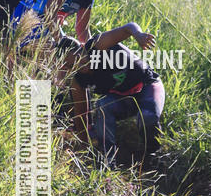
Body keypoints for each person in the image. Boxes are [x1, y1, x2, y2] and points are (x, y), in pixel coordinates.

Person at [67, 26, 162, 167]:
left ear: (82, 48)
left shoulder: (97, 45)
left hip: (147, 86)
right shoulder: (78, 80)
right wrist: (84, 149)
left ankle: (153, 157)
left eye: (79, 57)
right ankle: (108, 163)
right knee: (102, 107)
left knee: (147, 117)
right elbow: (81, 116)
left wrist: (139, 35)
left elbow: (128, 27)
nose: (81, 65)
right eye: (73, 64)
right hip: (123, 99)